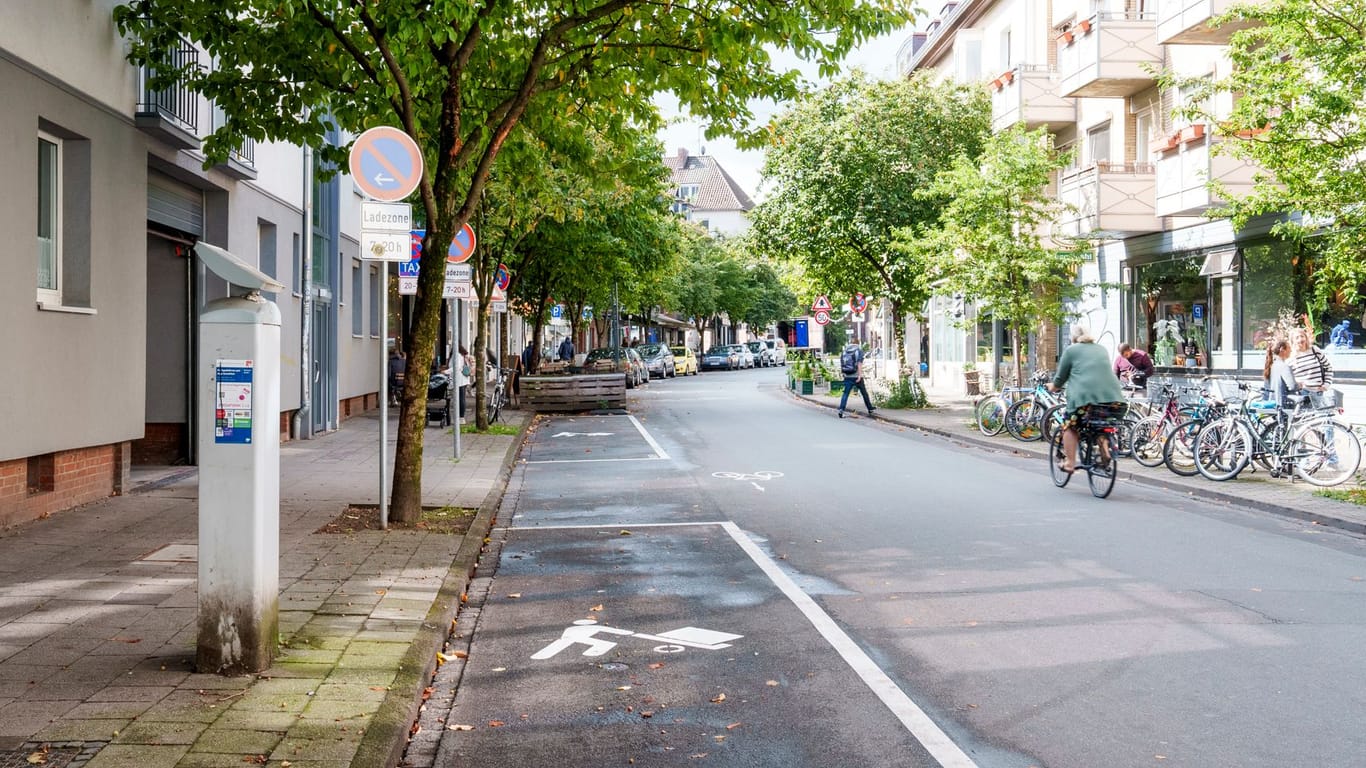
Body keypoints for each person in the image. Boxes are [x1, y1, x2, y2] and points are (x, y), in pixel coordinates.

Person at [1048, 325, 1126, 474]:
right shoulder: (1101, 348)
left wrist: (1052, 386)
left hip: (1085, 399)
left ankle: (1070, 463)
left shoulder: (1071, 350)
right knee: (1099, 424)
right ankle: (1104, 448)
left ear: (1073, 337)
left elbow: (1060, 379)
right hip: (1113, 399)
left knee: (1070, 426)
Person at [1290, 326, 1334, 396]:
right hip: (1302, 393)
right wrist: (1297, 384)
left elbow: (1328, 367)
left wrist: (1326, 384)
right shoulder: (1291, 357)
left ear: (1306, 337)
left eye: (1302, 336)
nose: (1300, 339)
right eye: (1297, 338)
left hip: (1318, 392)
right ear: (1293, 341)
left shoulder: (1314, 350)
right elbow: (1289, 377)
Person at [836, 343, 875, 419]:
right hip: (856, 376)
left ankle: (841, 410)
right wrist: (860, 375)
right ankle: (870, 409)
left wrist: (843, 373)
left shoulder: (845, 351)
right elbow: (859, 364)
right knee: (864, 393)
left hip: (847, 375)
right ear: (857, 343)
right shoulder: (859, 351)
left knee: (845, 394)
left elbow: (842, 363)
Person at [1263, 340, 1296, 407]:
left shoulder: (1270, 366)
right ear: (1282, 350)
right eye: (1289, 348)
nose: (1291, 351)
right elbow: (1292, 386)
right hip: (1283, 406)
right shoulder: (1284, 366)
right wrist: (1300, 385)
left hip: (1272, 405)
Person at [454, 345, 473, 419]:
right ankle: (461, 416)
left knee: (460, 398)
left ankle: (461, 416)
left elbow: (456, 367)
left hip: (460, 379)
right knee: (462, 398)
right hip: (464, 379)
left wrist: (445, 372)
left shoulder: (458, 356)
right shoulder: (463, 355)